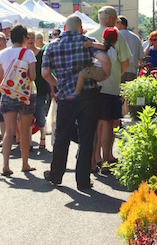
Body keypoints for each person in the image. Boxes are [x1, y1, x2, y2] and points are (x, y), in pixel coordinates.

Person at [42, 15, 111, 190]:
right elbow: (103, 59)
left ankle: (56, 175)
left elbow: (45, 74)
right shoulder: (87, 42)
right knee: (87, 138)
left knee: (62, 136)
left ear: (64, 28)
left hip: (66, 97)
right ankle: (83, 180)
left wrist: (58, 84)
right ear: (80, 28)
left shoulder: (52, 46)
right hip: (89, 95)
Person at [86, 6, 131, 172]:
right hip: (110, 86)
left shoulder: (89, 35)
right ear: (112, 19)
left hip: (91, 85)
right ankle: (106, 159)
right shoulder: (116, 35)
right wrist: (114, 74)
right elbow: (126, 62)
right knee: (107, 124)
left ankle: (93, 159)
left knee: (93, 124)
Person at [0, 24, 37, 175]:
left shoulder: (2, 54)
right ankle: (24, 163)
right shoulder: (28, 54)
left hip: (7, 95)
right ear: (24, 38)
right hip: (24, 95)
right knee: (24, 130)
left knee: (9, 131)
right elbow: (33, 76)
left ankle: (6, 165)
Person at [68, 27, 116, 99]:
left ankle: (76, 92)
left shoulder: (107, 46)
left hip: (99, 69)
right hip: (102, 70)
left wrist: (91, 44)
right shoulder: (114, 51)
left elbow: (103, 47)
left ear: (103, 38)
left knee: (82, 74)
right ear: (116, 40)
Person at [26, 29, 50, 149]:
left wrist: (51, 90)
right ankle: (29, 141)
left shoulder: (42, 53)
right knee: (28, 116)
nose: (30, 40)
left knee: (40, 115)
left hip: (40, 89)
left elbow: (47, 72)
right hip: (26, 90)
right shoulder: (23, 53)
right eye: (28, 37)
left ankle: (42, 137)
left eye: (31, 37)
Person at [117, 15, 144, 82]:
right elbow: (141, 57)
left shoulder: (116, 36)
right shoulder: (136, 38)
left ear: (119, 24)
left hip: (118, 70)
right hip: (132, 70)